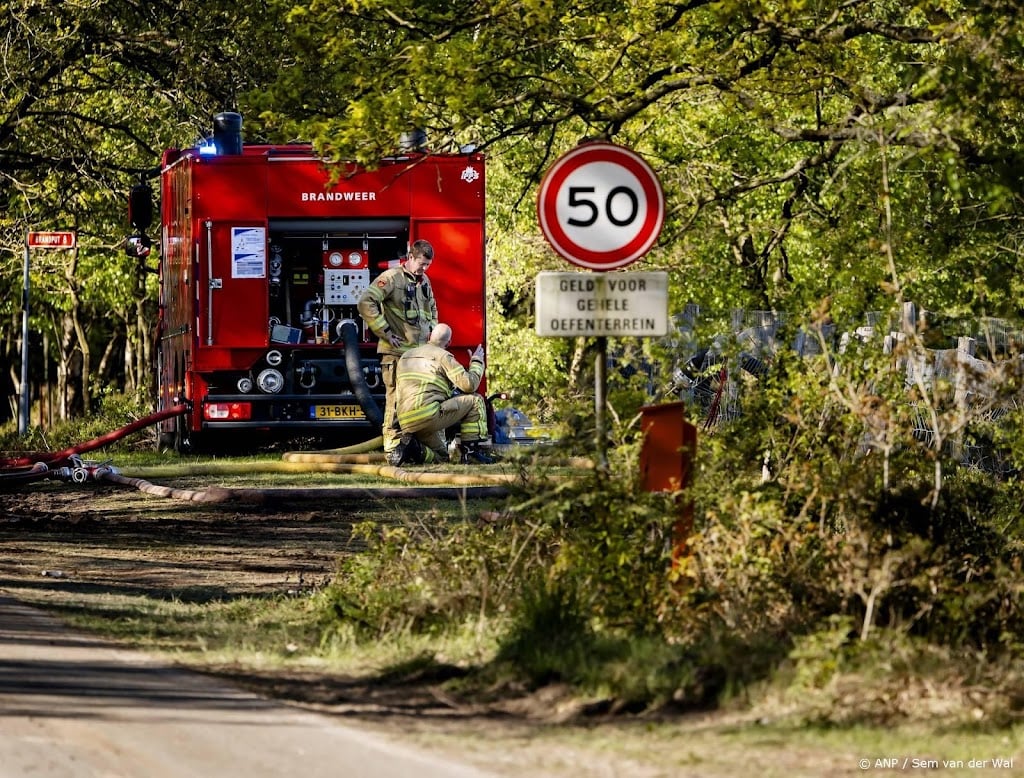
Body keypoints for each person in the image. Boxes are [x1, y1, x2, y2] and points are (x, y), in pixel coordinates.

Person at [357, 239, 438, 457]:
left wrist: (432, 333)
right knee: (395, 400)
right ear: (410, 257)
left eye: (427, 265)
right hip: (395, 354)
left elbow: (431, 309)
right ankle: (392, 448)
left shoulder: (424, 281)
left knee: (415, 401)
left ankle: (410, 446)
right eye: (421, 263)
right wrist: (385, 331)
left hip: (417, 355)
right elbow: (366, 302)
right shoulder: (392, 278)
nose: (424, 268)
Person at [391, 323, 494, 465]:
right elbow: (469, 385)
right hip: (428, 416)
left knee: (442, 457)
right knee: (476, 400)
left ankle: (415, 449)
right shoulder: (443, 356)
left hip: (406, 420)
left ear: (428, 337)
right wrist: (477, 362)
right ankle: (471, 454)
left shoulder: (406, 356)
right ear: (449, 343)